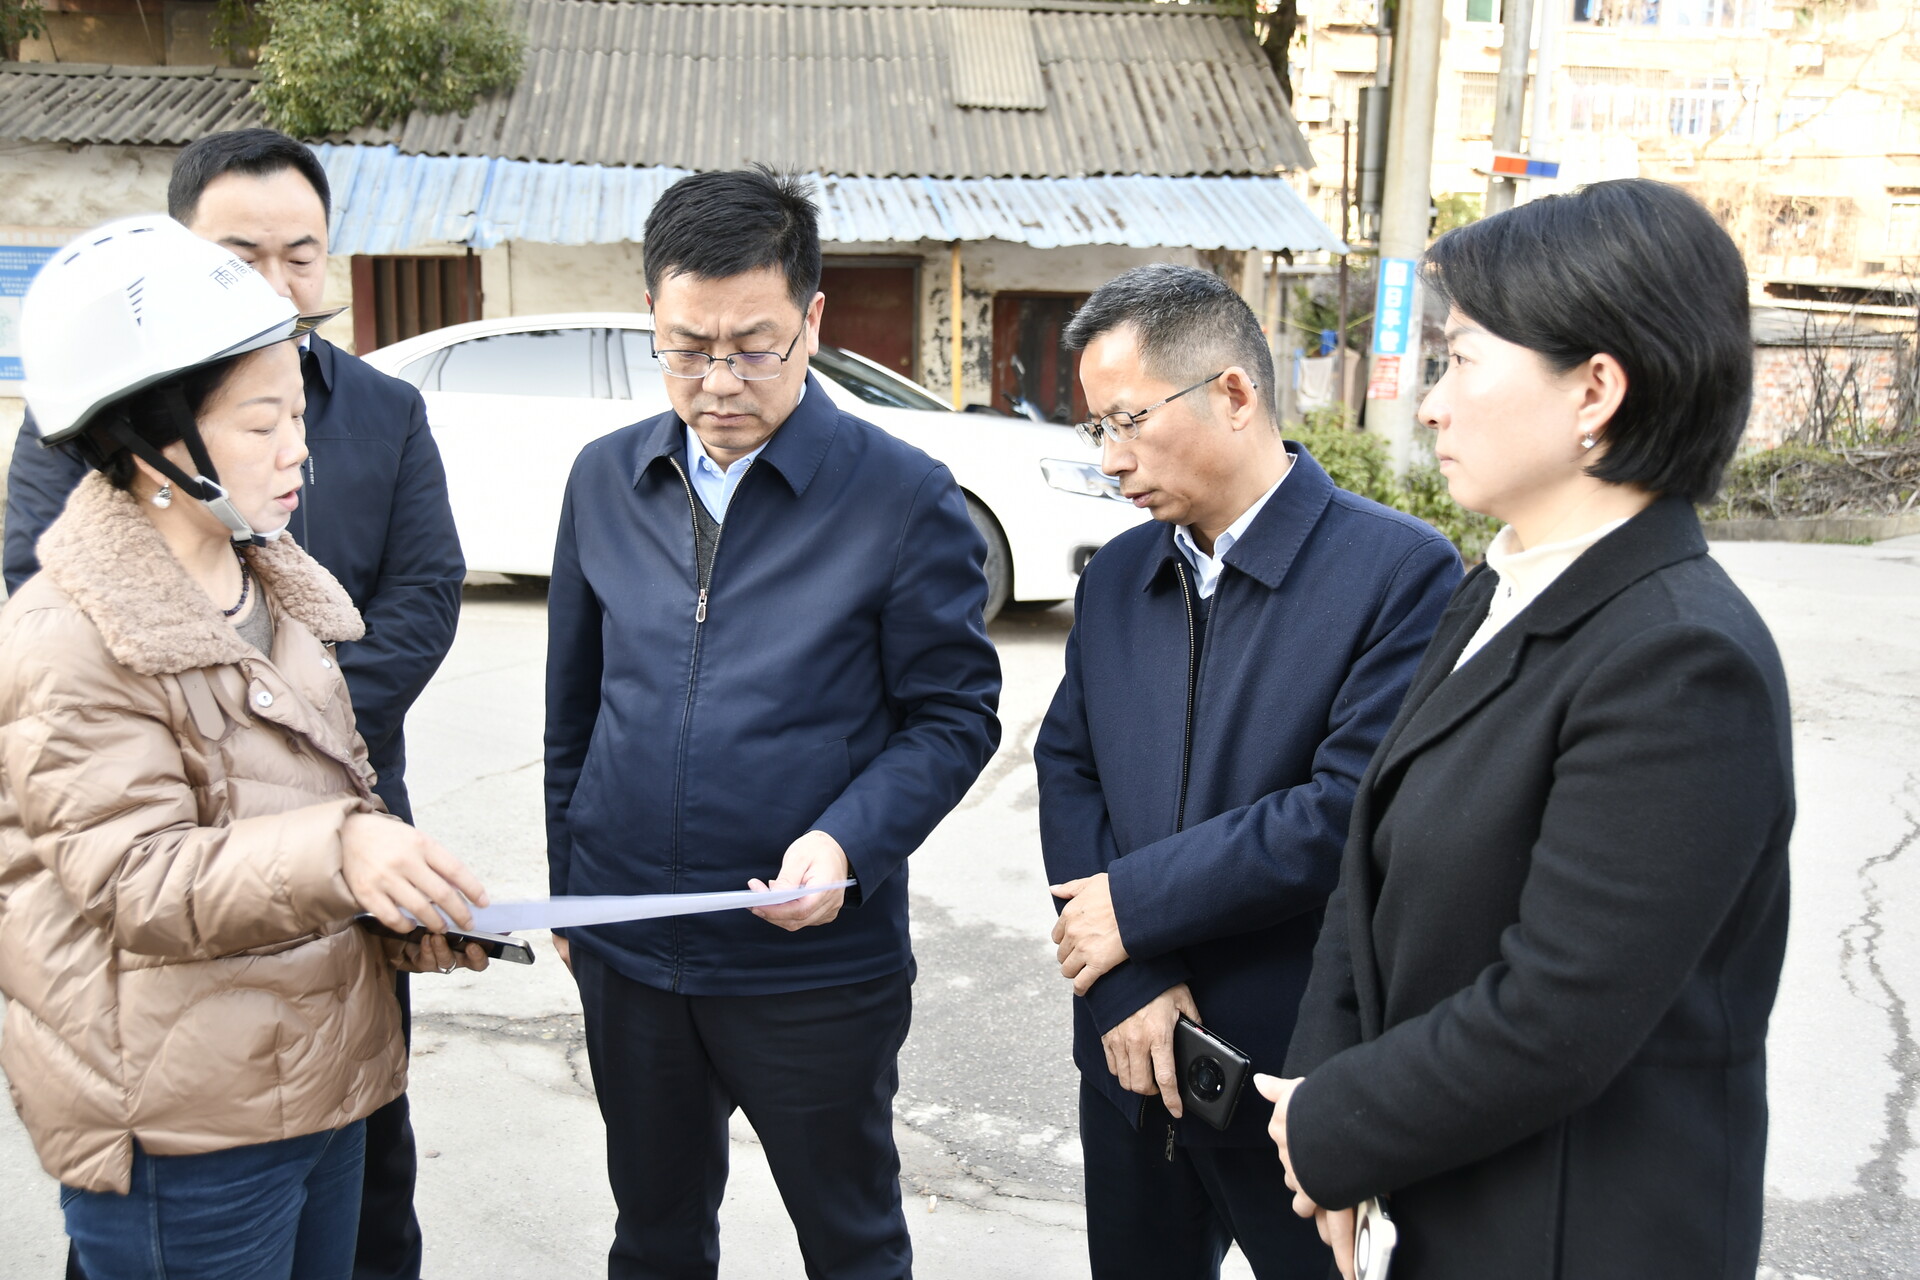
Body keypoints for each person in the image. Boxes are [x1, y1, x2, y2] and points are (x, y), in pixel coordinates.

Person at [1261, 179, 1793, 1280]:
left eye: (1461, 360)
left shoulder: (1684, 660)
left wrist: (1331, 1128)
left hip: (1568, 1230)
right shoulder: (1500, 584)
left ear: (1595, 388)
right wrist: (1318, 1098)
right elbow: (1369, 874)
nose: (1433, 404)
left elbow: (1555, 1015)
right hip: (1428, 1196)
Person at [2, 128, 466, 1280]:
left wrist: (394, 886)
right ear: (156, 448)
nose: (298, 448)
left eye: (297, 414)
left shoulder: (281, 587)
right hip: (188, 1106)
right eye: (264, 426)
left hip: (315, 1073)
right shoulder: (66, 631)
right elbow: (136, 874)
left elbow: (327, 788)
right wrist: (343, 847)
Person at [544, 166, 1002, 1279]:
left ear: (813, 319)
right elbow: (572, 712)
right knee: (653, 1236)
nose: (716, 381)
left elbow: (953, 715)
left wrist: (846, 841)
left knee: (849, 1239)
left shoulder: (903, 497)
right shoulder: (606, 479)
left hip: (812, 968)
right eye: (684, 346)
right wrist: (574, 892)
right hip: (632, 951)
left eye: (753, 346)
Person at [1034, 264, 1462, 1280]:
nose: (1112, 459)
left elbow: (1344, 808)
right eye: (1097, 428)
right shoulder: (1119, 578)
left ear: (1233, 392)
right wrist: (1126, 974)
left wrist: (1130, 908)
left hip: (1293, 1076)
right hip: (1131, 1054)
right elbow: (1067, 765)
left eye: (1129, 420)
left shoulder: (1400, 572)